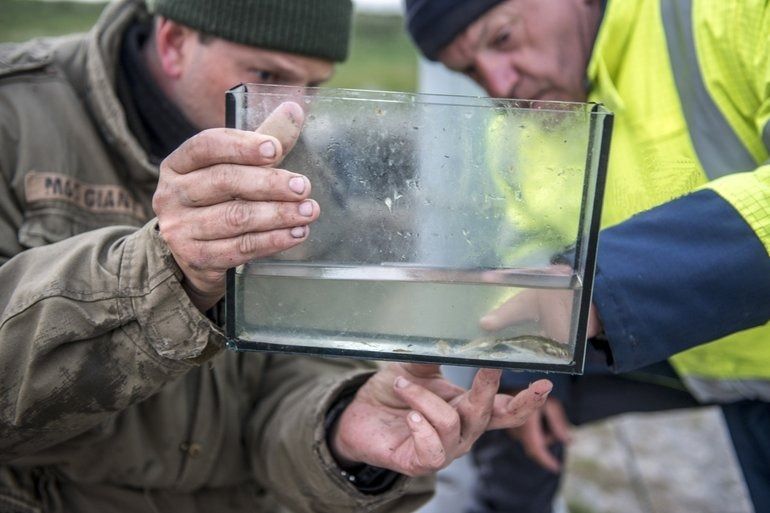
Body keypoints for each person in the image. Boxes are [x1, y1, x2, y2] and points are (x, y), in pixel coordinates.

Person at [0, 1, 554, 512]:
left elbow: (291, 381)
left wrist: (341, 429)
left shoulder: (303, 174)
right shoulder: (15, 115)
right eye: (266, 76)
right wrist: (169, 272)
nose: (294, 111)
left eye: (315, 85)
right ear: (173, 42)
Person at [404, 0, 770, 512]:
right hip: (727, 364)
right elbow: (527, 246)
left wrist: (596, 288)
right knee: (497, 381)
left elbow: (585, 287)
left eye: (503, 39)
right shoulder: (518, 128)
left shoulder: (727, 13)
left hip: (728, 348)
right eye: (468, 70)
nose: (499, 83)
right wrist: (527, 356)